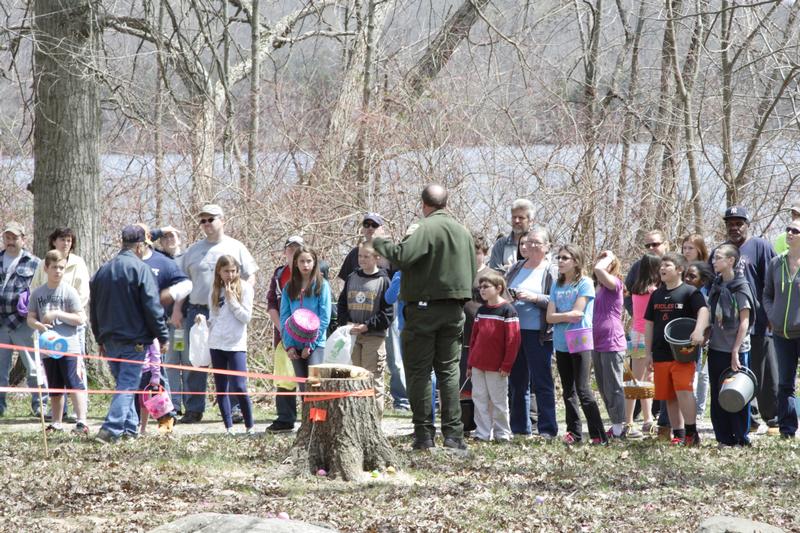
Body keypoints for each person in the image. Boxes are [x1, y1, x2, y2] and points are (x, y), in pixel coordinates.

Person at [373, 184, 476, 451]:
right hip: (455, 310)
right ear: (446, 203)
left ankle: (424, 435)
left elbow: (402, 256)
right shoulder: (463, 232)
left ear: (423, 204)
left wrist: (379, 239)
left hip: (424, 309)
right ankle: (454, 436)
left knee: (418, 372)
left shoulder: (423, 227)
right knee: (449, 372)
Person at [174, 204, 258, 424]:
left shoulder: (235, 246)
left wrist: (239, 299)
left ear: (222, 220)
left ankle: (236, 408)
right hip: (198, 310)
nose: (206, 224)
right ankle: (194, 408)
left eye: (210, 219)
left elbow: (250, 276)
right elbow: (183, 282)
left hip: (229, 310)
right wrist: (176, 310)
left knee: (231, 359)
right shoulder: (193, 250)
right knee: (197, 360)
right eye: (202, 220)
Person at [91, 225, 168, 443]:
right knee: (127, 385)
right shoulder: (140, 269)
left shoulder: (103, 270)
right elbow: (152, 307)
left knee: (124, 385)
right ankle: (111, 429)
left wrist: (99, 337)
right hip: (134, 340)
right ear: (139, 245)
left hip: (109, 339)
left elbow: (93, 309)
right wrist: (162, 336)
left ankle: (130, 429)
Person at [711, 206, 778, 431]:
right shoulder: (720, 251)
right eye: (730, 223)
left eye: (739, 223)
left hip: (758, 322)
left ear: (747, 225)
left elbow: (773, 282)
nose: (734, 227)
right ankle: (749, 417)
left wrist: (771, 313)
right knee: (737, 373)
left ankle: (773, 416)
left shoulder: (760, 246)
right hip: (727, 328)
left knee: (763, 371)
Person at [644, 253, 709, 446]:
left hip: (683, 352)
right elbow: (649, 324)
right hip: (660, 352)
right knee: (669, 395)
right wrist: (648, 354)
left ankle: (691, 433)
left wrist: (698, 331)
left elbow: (704, 311)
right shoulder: (656, 294)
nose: (662, 269)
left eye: (668, 265)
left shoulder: (690, 292)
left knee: (683, 390)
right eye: (661, 266)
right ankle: (679, 434)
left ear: (679, 269)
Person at [546, 244, 607, 445]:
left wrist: (560, 316)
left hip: (580, 339)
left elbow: (578, 314)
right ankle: (574, 432)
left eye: (565, 258)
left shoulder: (585, 283)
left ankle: (598, 434)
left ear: (576, 261)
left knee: (583, 389)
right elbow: (549, 317)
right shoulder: (556, 284)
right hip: (561, 341)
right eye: (559, 258)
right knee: (568, 390)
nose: (561, 261)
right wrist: (565, 316)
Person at [29, 227, 91, 422]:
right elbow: (32, 313)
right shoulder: (39, 288)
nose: (66, 243)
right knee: (54, 381)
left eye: (69, 240)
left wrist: (60, 314)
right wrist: (39, 325)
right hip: (47, 338)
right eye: (62, 239)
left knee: (73, 376)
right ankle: (57, 420)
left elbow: (81, 305)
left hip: (69, 334)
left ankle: (80, 417)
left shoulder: (76, 268)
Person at [697, 244, 755, 446]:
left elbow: (745, 322)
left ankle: (740, 437)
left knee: (737, 393)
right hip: (716, 348)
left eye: (718, 258)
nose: (714, 261)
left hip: (737, 350)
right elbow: (712, 316)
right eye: (714, 258)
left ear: (731, 261)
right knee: (718, 394)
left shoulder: (741, 286)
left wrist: (736, 351)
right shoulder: (716, 285)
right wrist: (705, 335)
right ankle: (723, 437)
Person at [137, 224, 191, 426]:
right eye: (165, 237)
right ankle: (171, 406)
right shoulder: (155, 257)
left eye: (173, 236)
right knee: (165, 364)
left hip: (180, 320)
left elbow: (184, 286)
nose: (169, 239)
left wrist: (177, 310)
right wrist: (161, 230)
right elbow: (143, 236)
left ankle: (185, 406)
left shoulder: (184, 259)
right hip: (159, 321)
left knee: (185, 363)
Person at [505, 228, 556, 438]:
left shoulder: (551, 271)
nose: (532, 246)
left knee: (541, 382)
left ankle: (547, 429)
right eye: (529, 242)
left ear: (546, 247)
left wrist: (534, 298)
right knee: (517, 383)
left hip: (539, 334)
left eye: (537, 242)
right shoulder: (516, 267)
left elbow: (558, 301)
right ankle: (519, 428)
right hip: (515, 332)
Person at [337, 242, 393, 415]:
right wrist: (345, 322)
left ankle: (375, 420)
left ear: (377, 258)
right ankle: (357, 419)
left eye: (366, 256)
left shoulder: (383, 280)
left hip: (373, 337)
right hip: (353, 336)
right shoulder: (352, 277)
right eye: (360, 256)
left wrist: (367, 326)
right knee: (355, 378)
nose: (362, 259)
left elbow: (388, 313)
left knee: (372, 378)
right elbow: (342, 303)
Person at [467, 271, 521, 442]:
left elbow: (513, 341)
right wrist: (470, 364)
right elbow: (474, 338)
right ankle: (482, 433)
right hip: (478, 364)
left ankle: (502, 434)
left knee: (498, 402)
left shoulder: (508, 310)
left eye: (486, 286)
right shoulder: (481, 310)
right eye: (480, 287)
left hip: (497, 366)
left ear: (498, 288)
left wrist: (507, 365)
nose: (482, 290)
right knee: (479, 399)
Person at [206, 255, 255, 435]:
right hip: (217, 343)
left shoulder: (245, 288)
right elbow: (214, 317)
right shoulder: (214, 290)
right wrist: (204, 323)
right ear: (219, 271)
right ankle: (228, 427)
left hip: (235, 344)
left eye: (233, 271)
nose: (230, 274)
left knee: (239, 385)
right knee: (221, 387)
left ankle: (250, 425)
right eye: (226, 271)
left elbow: (246, 318)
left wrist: (232, 300)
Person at [0, 221, 45, 417]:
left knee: (34, 367)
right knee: (0, 370)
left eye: (14, 238)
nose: (10, 241)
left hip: (23, 323)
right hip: (1, 324)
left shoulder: (34, 262)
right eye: (7, 237)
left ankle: (40, 407)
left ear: (23, 239)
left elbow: (41, 291)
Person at [763, 218, 800, 439]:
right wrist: (772, 315)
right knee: (785, 383)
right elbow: (767, 294)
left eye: (795, 230)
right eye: (788, 229)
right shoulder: (776, 263)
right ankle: (788, 430)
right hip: (780, 333)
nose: (789, 233)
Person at [265, 235, 304, 433]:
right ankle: (285, 417)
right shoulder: (279, 274)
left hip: (307, 336)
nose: (294, 252)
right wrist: (282, 327)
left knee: (307, 377)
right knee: (284, 376)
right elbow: (271, 302)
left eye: (298, 248)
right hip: (283, 334)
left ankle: (312, 418)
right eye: (291, 248)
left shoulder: (312, 272)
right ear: (285, 252)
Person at [280, 246, 331, 384]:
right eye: (302, 261)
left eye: (309, 261)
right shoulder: (289, 287)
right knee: (303, 388)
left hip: (315, 343)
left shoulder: (322, 285)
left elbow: (325, 317)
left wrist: (310, 344)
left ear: (314, 262)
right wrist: (289, 345)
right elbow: (284, 317)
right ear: (296, 262)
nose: (305, 265)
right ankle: (304, 406)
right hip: (294, 343)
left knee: (314, 385)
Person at [592, 250, 628, 439]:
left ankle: (618, 428)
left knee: (614, 386)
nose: (599, 263)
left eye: (604, 260)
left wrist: (609, 257)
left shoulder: (615, 284)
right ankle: (614, 425)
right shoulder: (596, 287)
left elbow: (598, 269)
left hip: (612, 341)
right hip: (596, 342)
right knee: (603, 386)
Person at [625, 253, 661, 437]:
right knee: (640, 380)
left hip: (635, 335)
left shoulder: (636, 289)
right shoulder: (654, 291)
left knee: (641, 379)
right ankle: (629, 422)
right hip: (647, 337)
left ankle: (647, 420)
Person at [685, 261, 715, 421]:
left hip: (697, 346)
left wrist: (704, 339)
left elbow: (709, 324)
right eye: (686, 276)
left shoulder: (703, 299)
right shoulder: (681, 294)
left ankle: (697, 411)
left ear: (702, 281)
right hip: (680, 345)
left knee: (698, 377)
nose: (687, 279)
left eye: (692, 276)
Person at [624, 229, 669, 315]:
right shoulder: (638, 266)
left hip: (666, 317)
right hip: (642, 321)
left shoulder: (674, 265)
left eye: (655, 244)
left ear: (665, 244)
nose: (651, 248)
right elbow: (626, 292)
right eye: (647, 246)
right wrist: (634, 311)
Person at [488, 199, 534, 272]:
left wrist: (509, 269)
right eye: (514, 217)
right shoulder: (501, 244)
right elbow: (495, 275)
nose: (516, 221)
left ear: (531, 221)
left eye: (521, 218)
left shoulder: (538, 244)